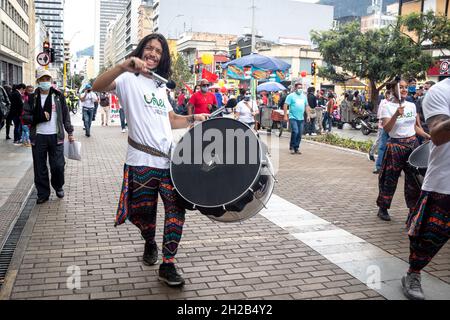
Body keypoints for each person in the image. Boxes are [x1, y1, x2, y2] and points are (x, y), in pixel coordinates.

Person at [92, 33, 209, 287]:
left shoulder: (160, 86)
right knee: (144, 215)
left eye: (158, 51)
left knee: (176, 211)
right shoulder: (125, 79)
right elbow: (96, 86)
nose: (153, 53)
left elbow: (171, 120)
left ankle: (168, 265)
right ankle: (149, 241)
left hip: (169, 163)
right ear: (141, 50)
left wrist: (193, 118)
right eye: (150, 48)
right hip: (141, 160)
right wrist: (124, 64)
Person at [401, 78, 450, 300]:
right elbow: (438, 136)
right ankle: (413, 274)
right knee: (428, 236)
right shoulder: (440, 92)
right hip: (444, 182)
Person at [376, 78, 430, 222]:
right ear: (393, 90)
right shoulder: (386, 106)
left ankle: (413, 212)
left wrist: (426, 135)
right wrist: (396, 115)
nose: (404, 90)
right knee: (389, 179)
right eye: (401, 87)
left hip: (412, 146)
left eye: (406, 87)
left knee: (414, 181)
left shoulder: (411, 105)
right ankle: (383, 208)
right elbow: (387, 129)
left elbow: (414, 127)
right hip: (395, 146)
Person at [22, 69, 75, 204]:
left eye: (47, 79)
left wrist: (70, 132)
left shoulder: (58, 96)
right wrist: (38, 117)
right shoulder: (32, 98)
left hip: (56, 136)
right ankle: (43, 193)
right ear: (38, 81)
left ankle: (58, 186)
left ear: (51, 81)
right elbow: (25, 116)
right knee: (40, 167)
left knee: (58, 165)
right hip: (38, 136)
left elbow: (65, 115)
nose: (45, 82)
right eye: (42, 79)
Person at [283, 81, 310, 154]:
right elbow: (285, 105)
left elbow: (306, 106)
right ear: (295, 88)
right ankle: (292, 147)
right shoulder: (291, 96)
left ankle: (296, 147)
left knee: (300, 133)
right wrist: (285, 115)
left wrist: (308, 115)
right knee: (295, 131)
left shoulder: (304, 96)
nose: (300, 89)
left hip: (301, 118)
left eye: (301, 88)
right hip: (293, 117)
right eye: (298, 88)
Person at [369, 88, 392, 174]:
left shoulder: (396, 103)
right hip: (383, 127)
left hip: (393, 128)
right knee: (382, 147)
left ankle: (392, 168)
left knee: (392, 148)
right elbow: (380, 115)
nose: (390, 96)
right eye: (389, 94)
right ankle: (378, 167)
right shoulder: (383, 103)